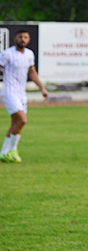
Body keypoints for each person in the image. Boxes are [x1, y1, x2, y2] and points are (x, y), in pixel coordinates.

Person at [1, 30, 49, 163]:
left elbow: (32, 73)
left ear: (28, 40)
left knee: (16, 123)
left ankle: (4, 152)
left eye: (25, 37)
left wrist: (42, 88)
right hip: (9, 92)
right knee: (22, 120)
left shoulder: (29, 54)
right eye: (20, 37)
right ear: (15, 38)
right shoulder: (7, 54)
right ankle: (13, 150)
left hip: (21, 94)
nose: (23, 39)